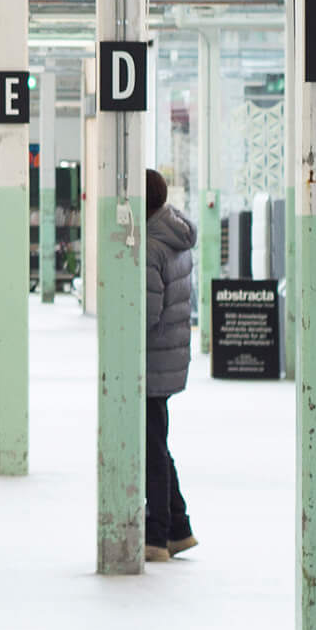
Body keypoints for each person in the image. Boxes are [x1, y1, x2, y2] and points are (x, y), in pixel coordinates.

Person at [145, 168, 198, 562]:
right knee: (158, 442)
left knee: (152, 449)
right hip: (170, 355)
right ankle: (179, 528)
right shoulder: (175, 232)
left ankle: (157, 536)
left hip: (151, 359)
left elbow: (144, 314)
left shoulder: (149, 245)